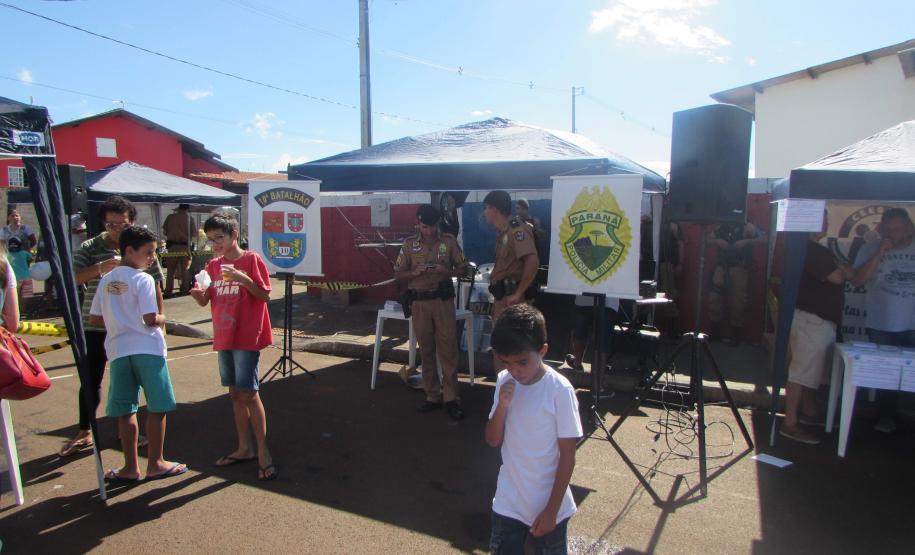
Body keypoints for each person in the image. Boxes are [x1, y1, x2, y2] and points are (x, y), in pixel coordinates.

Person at [59, 195, 165, 457]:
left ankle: (127, 433)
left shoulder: (142, 247)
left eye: (122, 224)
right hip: (97, 325)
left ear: (132, 222)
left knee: (132, 383)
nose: (117, 229)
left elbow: (156, 284)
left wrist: (159, 321)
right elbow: (71, 278)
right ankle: (85, 429)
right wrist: (99, 268)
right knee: (91, 378)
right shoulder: (91, 246)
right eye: (111, 224)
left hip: (134, 331)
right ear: (103, 223)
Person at [89, 226, 186, 481]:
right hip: (147, 349)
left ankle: (130, 467)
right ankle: (156, 462)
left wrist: (119, 321)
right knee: (158, 406)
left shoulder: (106, 279)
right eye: (149, 252)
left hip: (118, 351)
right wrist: (164, 318)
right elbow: (150, 318)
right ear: (130, 251)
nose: (152, 258)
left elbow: (95, 318)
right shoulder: (143, 279)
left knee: (125, 410)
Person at [485, 305, 582, 554]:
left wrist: (551, 511)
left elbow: (568, 456)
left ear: (542, 351)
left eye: (522, 362)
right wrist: (502, 406)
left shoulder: (559, 390)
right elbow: (493, 439)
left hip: (550, 507)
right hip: (508, 503)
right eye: (506, 362)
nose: (514, 370)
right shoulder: (505, 380)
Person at [189, 214, 277, 481]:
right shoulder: (213, 265)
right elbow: (206, 300)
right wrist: (198, 296)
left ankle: (263, 452)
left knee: (249, 393)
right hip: (224, 335)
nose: (216, 243)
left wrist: (243, 279)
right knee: (235, 394)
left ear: (234, 235)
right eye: (211, 239)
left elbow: (265, 295)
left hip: (246, 336)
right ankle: (244, 448)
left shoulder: (251, 260)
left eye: (220, 237)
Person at [780, 211, 853, 445]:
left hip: (813, 319)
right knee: (802, 372)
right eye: (823, 220)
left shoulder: (809, 249)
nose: (827, 224)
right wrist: (842, 269)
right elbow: (838, 277)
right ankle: (790, 423)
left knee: (810, 371)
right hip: (812, 320)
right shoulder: (813, 250)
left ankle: (809, 412)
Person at [393, 204, 468, 420]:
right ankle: (432, 396)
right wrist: (413, 273)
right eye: (425, 227)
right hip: (420, 304)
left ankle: (451, 399)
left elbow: (464, 269)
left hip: (442, 302)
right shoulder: (409, 244)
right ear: (418, 224)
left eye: (433, 226)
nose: (429, 231)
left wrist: (448, 272)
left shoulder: (449, 241)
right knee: (426, 350)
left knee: (448, 350)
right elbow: (397, 274)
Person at [851, 207, 915, 433]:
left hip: (912, 322)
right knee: (885, 373)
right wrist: (880, 253)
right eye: (887, 230)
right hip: (882, 323)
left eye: (896, 230)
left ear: (909, 227)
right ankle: (885, 417)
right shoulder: (871, 248)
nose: (892, 235)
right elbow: (857, 280)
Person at [706, 221, 767, 345]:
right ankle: (715, 331)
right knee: (714, 299)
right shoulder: (721, 226)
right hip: (722, 267)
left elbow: (765, 239)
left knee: (738, 302)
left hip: (740, 267)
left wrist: (746, 242)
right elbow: (706, 240)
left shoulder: (748, 226)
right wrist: (718, 241)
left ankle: (736, 334)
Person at [484, 190, 539, 321]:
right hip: (502, 298)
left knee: (511, 334)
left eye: (486, 208)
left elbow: (532, 262)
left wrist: (518, 294)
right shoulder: (502, 232)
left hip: (513, 301)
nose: (484, 212)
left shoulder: (516, 230)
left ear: (495, 209)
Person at [565, 295, 620, 372]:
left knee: (580, 330)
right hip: (608, 302)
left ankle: (578, 363)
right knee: (603, 336)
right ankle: (598, 369)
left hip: (586, 300)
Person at [162, 204, 197, 297]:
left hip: (172, 246)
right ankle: (184, 291)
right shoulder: (190, 219)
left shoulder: (170, 217)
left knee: (170, 271)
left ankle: (168, 291)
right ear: (187, 209)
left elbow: (165, 232)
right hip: (185, 247)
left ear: (179, 208)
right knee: (185, 270)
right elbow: (194, 233)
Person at [5, 236, 32, 307]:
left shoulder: (7, 255)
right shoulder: (24, 253)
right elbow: (30, 258)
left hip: (15, 278)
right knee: (26, 295)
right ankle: (23, 309)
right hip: (26, 277)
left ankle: (17, 310)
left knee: (15, 295)